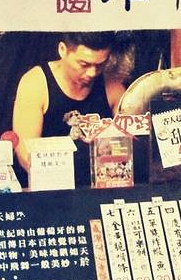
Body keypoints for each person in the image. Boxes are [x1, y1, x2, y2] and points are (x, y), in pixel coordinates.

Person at [12, 32, 128, 184]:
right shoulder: (36, 83)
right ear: (62, 50)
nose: (92, 73)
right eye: (84, 64)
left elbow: (129, 147)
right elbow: (26, 155)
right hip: (51, 186)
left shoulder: (113, 87)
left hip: (98, 186)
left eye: (100, 65)